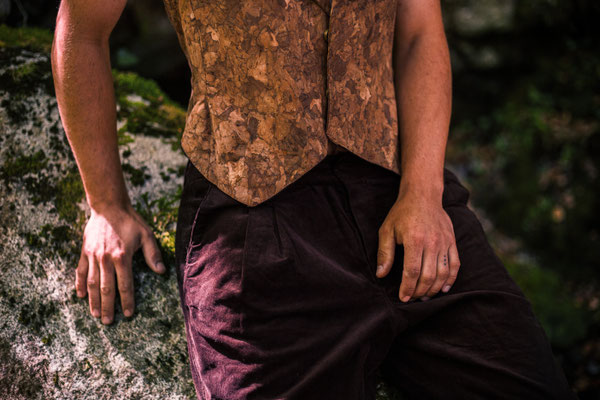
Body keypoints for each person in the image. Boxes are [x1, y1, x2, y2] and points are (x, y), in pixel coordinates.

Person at [51, 0, 578, 399]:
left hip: (398, 191)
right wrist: (106, 206)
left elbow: (418, 32)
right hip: (252, 219)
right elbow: (82, 28)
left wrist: (423, 192)